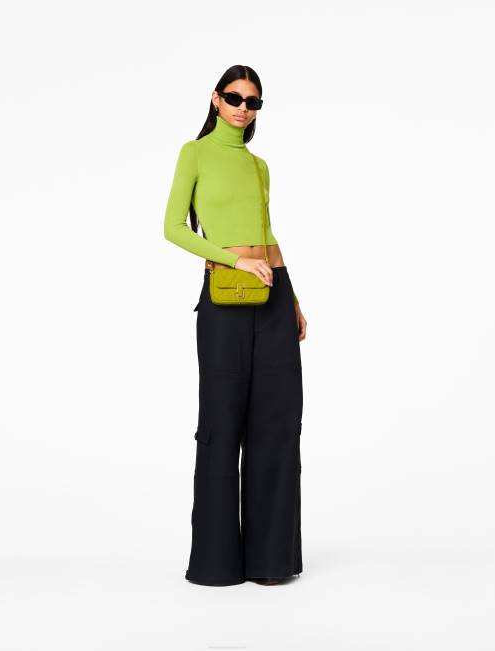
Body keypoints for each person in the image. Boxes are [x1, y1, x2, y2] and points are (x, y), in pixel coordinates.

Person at [163, 65, 307, 587]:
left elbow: (268, 235)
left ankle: (271, 562)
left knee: (278, 424)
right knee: (222, 424)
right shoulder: (195, 153)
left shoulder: (259, 166)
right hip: (224, 297)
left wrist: (293, 299)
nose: (244, 108)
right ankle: (217, 563)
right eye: (235, 97)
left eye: (253, 101)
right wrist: (232, 259)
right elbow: (173, 228)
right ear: (216, 99)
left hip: (273, 296)